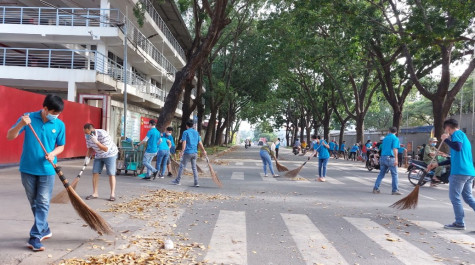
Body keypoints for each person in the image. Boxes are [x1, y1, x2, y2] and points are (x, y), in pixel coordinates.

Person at [7, 94, 65, 252]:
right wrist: (20, 125)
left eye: (58, 114)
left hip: (47, 169)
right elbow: (9, 136)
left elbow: (61, 146)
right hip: (27, 168)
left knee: (43, 202)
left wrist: (53, 153)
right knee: (34, 202)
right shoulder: (28, 118)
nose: (56, 116)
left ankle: (35, 236)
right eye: (54, 112)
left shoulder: (59, 125)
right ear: (45, 109)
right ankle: (44, 228)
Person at [427, 119, 475, 230]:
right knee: (468, 198)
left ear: (448, 128)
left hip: (459, 172)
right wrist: (437, 164)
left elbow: (457, 147)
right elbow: (453, 158)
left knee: (454, 197)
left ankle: (459, 223)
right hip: (468, 172)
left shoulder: (457, 134)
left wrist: (446, 139)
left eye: (445, 130)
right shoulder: (463, 137)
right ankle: (459, 222)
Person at [83, 123, 118, 201]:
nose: (86, 135)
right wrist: (87, 157)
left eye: (87, 133)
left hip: (110, 154)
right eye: (85, 133)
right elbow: (90, 148)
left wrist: (96, 142)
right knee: (95, 172)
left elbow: (105, 149)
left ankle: (112, 194)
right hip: (98, 155)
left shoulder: (103, 134)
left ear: (92, 131)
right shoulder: (87, 136)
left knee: (111, 173)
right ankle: (95, 193)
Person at [171, 120, 207, 186]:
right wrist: (203, 150)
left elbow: (184, 142)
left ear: (186, 126)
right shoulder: (196, 133)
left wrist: (182, 151)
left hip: (187, 152)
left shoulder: (185, 132)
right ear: (193, 125)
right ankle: (196, 183)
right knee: (194, 168)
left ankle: (177, 181)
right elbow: (200, 143)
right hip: (195, 153)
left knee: (181, 166)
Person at [372, 127, 402, 195]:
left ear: (389, 131)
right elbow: (395, 149)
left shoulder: (385, 138)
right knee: (394, 174)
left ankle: (376, 188)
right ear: (396, 132)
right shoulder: (395, 138)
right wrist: (396, 159)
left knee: (381, 174)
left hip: (383, 157)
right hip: (391, 158)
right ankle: (395, 190)